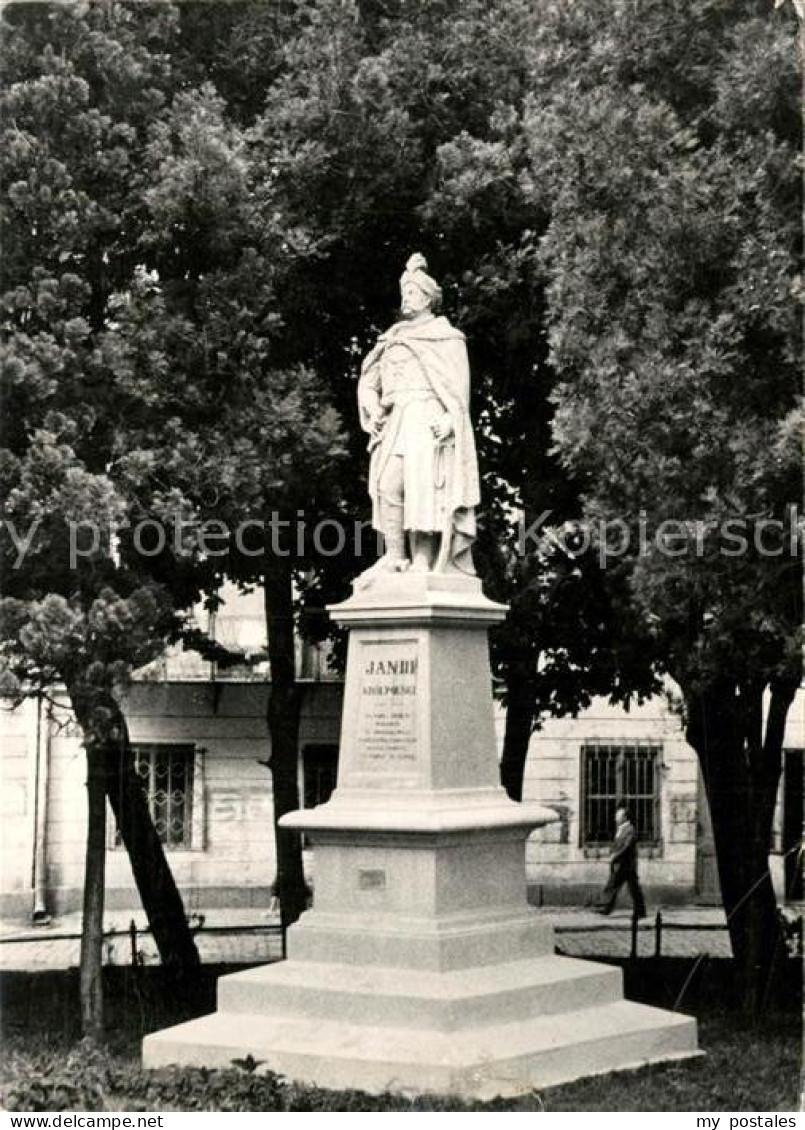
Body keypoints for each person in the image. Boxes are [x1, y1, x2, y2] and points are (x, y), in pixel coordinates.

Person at [355, 253, 480, 587]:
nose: (405, 299)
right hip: (397, 419)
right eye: (404, 293)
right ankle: (395, 556)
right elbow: (369, 379)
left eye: (411, 293)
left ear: (427, 298)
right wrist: (371, 405)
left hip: (426, 419)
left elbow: (458, 392)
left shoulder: (447, 338)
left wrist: (450, 420)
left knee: (423, 487)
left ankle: (422, 558)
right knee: (387, 486)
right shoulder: (393, 337)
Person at [596, 804, 647, 918]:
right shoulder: (621, 829)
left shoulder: (630, 829)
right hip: (622, 864)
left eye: (618, 816)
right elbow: (617, 844)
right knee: (617, 885)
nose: (616, 818)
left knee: (624, 887)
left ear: (625, 817)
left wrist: (615, 856)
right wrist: (612, 853)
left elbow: (627, 846)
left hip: (627, 864)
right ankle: (605, 908)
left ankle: (606, 908)